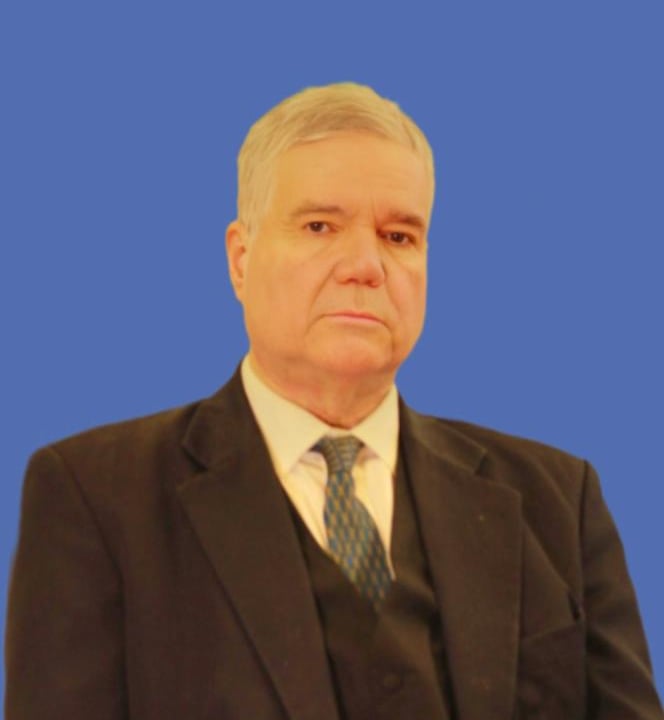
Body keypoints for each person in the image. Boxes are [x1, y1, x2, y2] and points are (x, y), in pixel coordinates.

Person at [5, 82, 662, 720]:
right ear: (240, 259)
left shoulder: (558, 501)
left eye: (399, 236)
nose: (365, 265)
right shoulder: (95, 497)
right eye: (320, 226)